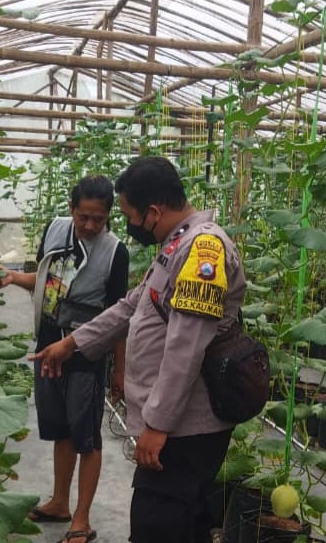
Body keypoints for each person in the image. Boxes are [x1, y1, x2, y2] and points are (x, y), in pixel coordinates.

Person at [32, 156, 247, 543]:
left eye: (129, 216)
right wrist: (72, 343)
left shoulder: (204, 251)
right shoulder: (178, 244)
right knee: (185, 525)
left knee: (157, 527)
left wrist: (157, 425)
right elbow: (133, 304)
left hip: (184, 430)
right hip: (176, 427)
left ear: (153, 211)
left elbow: (186, 347)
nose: (128, 227)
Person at [0, 175, 128, 542]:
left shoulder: (115, 252)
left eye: (98, 219)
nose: (89, 225)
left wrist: (120, 370)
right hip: (48, 344)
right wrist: (12, 278)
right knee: (60, 428)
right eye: (83, 216)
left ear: (108, 216)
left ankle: (81, 518)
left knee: (87, 434)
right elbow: (46, 281)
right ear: (71, 209)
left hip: (85, 352)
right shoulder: (55, 230)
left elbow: (119, 317)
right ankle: (59, 502)